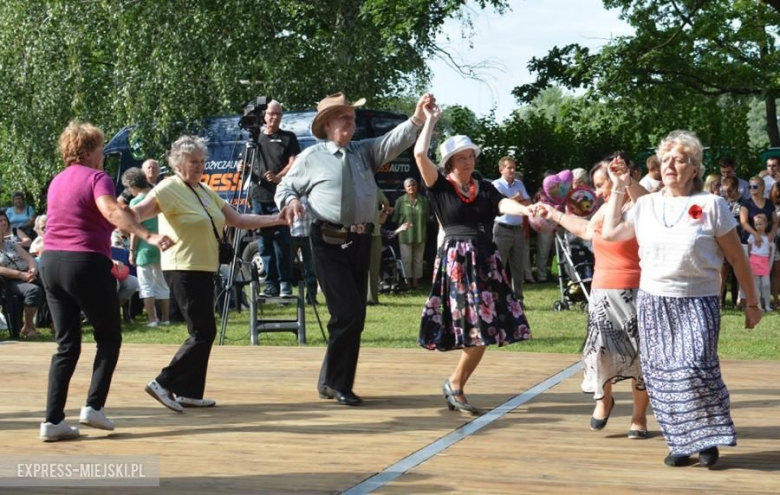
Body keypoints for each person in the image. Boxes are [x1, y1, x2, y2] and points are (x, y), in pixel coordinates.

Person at [602, 130, 762, 468]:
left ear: (694, 169)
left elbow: (737, 258)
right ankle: (681, 442)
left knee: (694, 370)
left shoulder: (712, 205)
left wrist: (752, 303)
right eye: (666, 160)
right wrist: (618, 186)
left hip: (698, 301)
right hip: (654, 302)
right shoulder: (646, 204)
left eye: (679, 160)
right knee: (662, 376)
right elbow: (611, 232)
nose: (670, 165)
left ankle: (707, 437)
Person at [276, 92, 428, 406]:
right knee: (347, 312)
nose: (351, 121)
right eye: (344, 116)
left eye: (352, 117)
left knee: (354, 315)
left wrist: (417, 118)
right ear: (327, 123)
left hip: (360, 241)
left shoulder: (363, 152)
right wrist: (290, 201)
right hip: (328, 240)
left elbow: (393, 141)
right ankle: (338, 384)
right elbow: (285, 186)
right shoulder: (312, 156)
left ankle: (329, 381)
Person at [133, 135, 287, 413]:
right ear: (177, 163)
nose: (200, 166)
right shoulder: (168, 187)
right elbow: (136, 212)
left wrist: (277, 218)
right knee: (203, 332)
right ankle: (162, 383)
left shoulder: (204, 191)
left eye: (202, 161)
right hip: (182, 267)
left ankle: (189, 393)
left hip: (204, 268)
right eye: (193, 161)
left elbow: (238, 219)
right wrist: (142, 232)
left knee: (203, 331)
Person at [40, 120, 173, 442]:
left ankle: (52, 421)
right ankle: (93, 407)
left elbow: (86, 216)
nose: (102, 155)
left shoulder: (57, 180)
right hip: (84, 262)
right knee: (109, 337)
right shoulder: (96, 177)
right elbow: (109, 211)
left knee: (66, 345)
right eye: (100, 149)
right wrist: (147, 235)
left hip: (51, 262)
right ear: (88, 152)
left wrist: (121, 212)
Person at [414, 103, 532, 415]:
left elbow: (504, 205)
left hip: (485, 259)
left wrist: (526, 210)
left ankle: (455, 383)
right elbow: (419, 154)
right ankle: (455, 385)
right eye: (461, 157)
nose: (468, 161)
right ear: (450, 162)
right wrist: (430, 120)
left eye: (471, 156)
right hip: (457, 261)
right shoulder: (439, 186)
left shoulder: (486, 188)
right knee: (474, 328)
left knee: (484, 328)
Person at [536, 156, 650, 438]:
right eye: (596, 185)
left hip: (635, 291)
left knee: (641, 358)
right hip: (602, 291)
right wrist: (555, 215)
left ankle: (638, 418)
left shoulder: (642, 206)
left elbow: (646, 200)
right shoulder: (603, 211)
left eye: (602, 185)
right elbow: (586, 230)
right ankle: (603, 401)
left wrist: (625, 181)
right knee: (600, 352)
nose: (597, 192)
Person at [239, 100, 300, 298]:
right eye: (271, 113)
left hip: (280, 197)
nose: (274, 117)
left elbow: (294, 161)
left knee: (282, 241)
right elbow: (246, 164)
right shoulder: (255, 139)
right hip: (259, 197)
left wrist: (279, 176)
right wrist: (242, 168)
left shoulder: (288, 137)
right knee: (264, 243)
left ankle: (285, 283)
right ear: (264, 116)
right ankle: (271, 284)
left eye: (278, 114)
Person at [122, 168, 170, 326]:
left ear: (133, 186)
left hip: (144, 248)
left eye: (128, 188)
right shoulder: (157, 197)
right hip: (160, 246)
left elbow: (135, 231)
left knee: (146, 285)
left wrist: (132, 251)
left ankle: (152, 319)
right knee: (162, 284)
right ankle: (166, 318)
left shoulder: (136, 202)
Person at [491, 156, 531, 302]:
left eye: (514, 167)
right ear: (501, 169)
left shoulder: (519, 183)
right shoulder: (496, 185)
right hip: (502, 229)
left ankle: (518, 299)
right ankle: (498, 298)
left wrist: (512, 199)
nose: (512, 170)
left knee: (518, 267)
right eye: (509, 168)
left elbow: (528, 202)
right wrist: (517, 198)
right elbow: (500, 205)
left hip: (517, 229)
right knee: (499, 265)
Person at [0, 231, 43, 338]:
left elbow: (29, 258)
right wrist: (20, 275)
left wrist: (33, 270)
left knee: (53, 286)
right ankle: (28, 326)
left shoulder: (11, 244)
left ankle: (54, 324)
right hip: (9, 281)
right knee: (33, 290)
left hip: (28, 275)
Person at [392, 178, 430, 290]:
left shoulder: (424, 200)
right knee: (406, 259)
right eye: (408, 186)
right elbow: (395, 219)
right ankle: (407, 282)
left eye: (413, 185)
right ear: (405, 188)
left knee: (418, 259)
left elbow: (427, 218)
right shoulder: (400, 201)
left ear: (417, 187)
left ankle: (415, 283)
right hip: (405, 235)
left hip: (420, 234)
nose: (411, 187)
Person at [720, 176, 744, 307]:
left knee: (739, 270)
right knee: (722, 271)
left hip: (739, 239)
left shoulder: (743, 203)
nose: (727, 194)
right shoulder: (721, 203)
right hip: (724, 241)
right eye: (724, 191)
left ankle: (740, 299)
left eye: (729, 191)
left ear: (736, 189)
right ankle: (719, 299)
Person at [367, 190, 392, 304]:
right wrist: (381, 212)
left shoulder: (372, 187)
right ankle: (369, 298)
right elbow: (385, 202)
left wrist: (381, 213)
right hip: (368, 233)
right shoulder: (371, 186)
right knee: (371, 268)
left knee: (370, 267)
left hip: (367, 232)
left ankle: (369, 298)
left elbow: (386, 203)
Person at [747, 213, 774, 312]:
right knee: (756, 285)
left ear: (766, 224)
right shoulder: (752, 236)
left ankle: (767, 305)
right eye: (756, 224)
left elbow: (770, 249)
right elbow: (749, 248)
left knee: (766, 284)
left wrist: (767, 260)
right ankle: (758, 305)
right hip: (754, 261)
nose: (758, 226)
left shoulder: (769, 237)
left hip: (764, 262)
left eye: (760, 224)